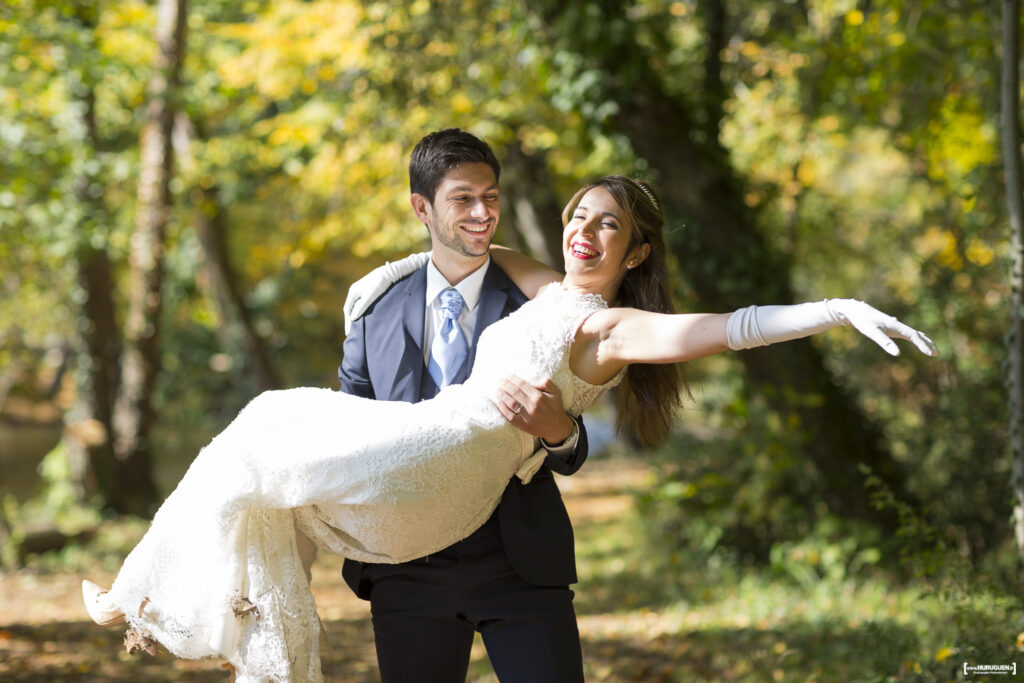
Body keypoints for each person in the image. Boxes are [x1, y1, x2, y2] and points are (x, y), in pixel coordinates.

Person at [82, 174, 936, 683]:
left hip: (451, 468)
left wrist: (833, 308)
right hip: (425, 496)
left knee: (265, 425)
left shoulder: (609, 327)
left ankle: (142, 595)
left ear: (636, 253)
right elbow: (460, 249)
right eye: (578, 214)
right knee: (265, 465)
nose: (584, 230)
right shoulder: (543, 287)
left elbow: (727, 324)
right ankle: (190, 605)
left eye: (608, 224)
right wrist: (370, 285)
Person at [336, 128, 591, 683]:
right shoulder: (371, 310)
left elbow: (572, 447)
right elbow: (345, 432)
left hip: (518, 561)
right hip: (406, 569)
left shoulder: (538, 305)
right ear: (421, 207)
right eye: (463, 198)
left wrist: (558, 432)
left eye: (491, 196)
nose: (482, 212)